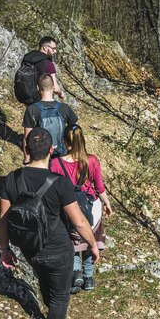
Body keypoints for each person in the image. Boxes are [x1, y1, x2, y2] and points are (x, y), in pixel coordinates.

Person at [0, 127, 99, 319]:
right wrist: (93, 245)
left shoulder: (11, 179)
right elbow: (79, 222)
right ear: (52, 150)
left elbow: (3, 219)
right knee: (60, 297)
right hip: (57, 249)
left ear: (26, 150)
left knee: (47, 285)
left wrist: (5, 249)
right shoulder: (60, 184)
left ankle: (51, 312)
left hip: (30, 249)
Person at [50, 124, 113, 293]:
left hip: (67, 207)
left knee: (72, 241)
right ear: (82, 139)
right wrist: (107, 203)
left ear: (64, 141)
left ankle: (76, 273)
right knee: (89, 238)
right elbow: (99, 187)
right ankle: (89, 278)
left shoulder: (56, 163)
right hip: (91, 205)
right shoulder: (91, 160)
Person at [22, 74, 78, 164]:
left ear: (38, 87)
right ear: (53, 87)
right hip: (62, 157)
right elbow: (76, 132)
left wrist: (27, 160)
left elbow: (27, 138)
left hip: (41, 158)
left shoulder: (32, 109)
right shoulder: (64, 108)